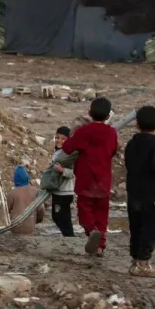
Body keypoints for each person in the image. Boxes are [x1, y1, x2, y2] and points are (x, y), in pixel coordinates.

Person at [62, 97, 119, 259]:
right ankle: (100, 245)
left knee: (85, 212)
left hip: (86, 180)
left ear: (89, 113)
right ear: (108, 116)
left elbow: (67, 148)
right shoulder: (111, 133)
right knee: (102, 214)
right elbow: (113, 150)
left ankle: (91, 231)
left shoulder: (83, 131)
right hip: (103, 181)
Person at [124, 106, 155, 277]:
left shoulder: (131, 143)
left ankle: (135, 260)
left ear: (136, 123)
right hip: (148, 193)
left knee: (136, 226)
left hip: (133, 191)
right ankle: (143, 264)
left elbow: (128, 164)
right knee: (150, 228)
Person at [46, 125, 77, 237]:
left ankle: (69, 237)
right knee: (58, 216)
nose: (59, 140)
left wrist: (61, 170)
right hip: (57, 190)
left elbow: (73, 173)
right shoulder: (58, 152)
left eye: (63, 138)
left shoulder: (69, 154)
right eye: (57, 137)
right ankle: (69, 236)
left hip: (65, 191)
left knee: (61, 216)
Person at [6, 165, 46, 236]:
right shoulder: (35, 191)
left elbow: (5, 212)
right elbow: (41, 209)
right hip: (31, 228)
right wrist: (37, 220)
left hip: (16, 230)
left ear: (15, 179)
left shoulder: (12, 193)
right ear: (27, 178)